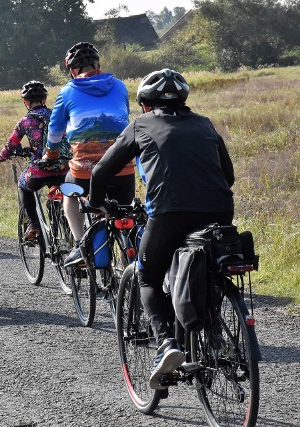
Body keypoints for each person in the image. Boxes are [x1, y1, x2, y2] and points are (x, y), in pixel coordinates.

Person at [87, 69, 235, 390]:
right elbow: (229, 175)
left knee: (148, 277)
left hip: (169, 214)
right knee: (209, 269)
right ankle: (216, 338)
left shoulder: (140, 125)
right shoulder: (205, 123)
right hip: (221, 210)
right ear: (183, 100)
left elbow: (100, 172)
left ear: (144, 104)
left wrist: (97, 203)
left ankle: (167, 344)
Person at [43, 41, 135, 267]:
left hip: (85, 172)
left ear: (72, 70)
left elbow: (55, 131)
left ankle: (80, 246)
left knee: (68, 190)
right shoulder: (120, 87)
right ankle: (129, 278)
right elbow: (123, 118)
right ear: (98, 64)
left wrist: (51, 155)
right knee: (124, 216)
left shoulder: (67, 92)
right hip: (124, 168)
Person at [0, 81, 68, 240]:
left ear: (26, 102)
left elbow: (11, 145)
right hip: (63, 168)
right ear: (45, 99)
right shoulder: (57, 116)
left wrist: (1, 157)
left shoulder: (25, 121)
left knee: (23, 184)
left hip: (38, 172)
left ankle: (33, 224)